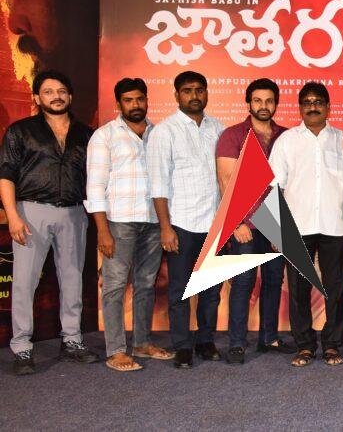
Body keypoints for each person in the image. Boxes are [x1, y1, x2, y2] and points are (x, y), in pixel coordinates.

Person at [2, 70, 99, 375]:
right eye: (48, 92)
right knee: (24, 281)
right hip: (31, 212)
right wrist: (13, 216)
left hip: (74, 212)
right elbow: (6, 175)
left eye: (61, 91)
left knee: (72, 278)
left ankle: (72, 339)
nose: (56, 96)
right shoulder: (20, 131)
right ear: (36, 97)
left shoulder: (87, 135)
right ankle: (22, 346)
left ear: (70, 96)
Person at [86, 77, 174, 372]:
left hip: (153, 220)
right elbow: (95, 186)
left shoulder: (159, 134)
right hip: (119, 221)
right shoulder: (105, 136)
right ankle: (116, 351)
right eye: (128, 100)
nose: (135, 104)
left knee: (146, 284)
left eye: (139, 98)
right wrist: (102, 230)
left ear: (147, 100)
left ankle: (142, 343)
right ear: (119, 104)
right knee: (114, 285)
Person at [269, 82, 343, 367]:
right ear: (300, 107)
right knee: (298, 290)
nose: (313, 107)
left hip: (335, 225)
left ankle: (332, 345)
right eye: (307, 102)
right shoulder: (287, 141)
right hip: (297, 227)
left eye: (318, 102)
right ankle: (304, 346)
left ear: (328, 107)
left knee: (335, 289)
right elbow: (273, 188)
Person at [147, 70, 226, 369]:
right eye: (187, 90)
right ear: (177, 95)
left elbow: (225, 177)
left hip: (213, 223)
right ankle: (182, 345)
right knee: (179, 289)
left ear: (206, 93)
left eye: (199, 90)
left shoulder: (218, 128)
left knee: (211, 290)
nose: (194, 95)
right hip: (180, 224)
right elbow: (158, 184)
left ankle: (205, 340)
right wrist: (165, 227)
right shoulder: (164, 132)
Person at [214, 78, 293, 365]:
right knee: (243, 282)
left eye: (269, 100)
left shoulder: (286, 137)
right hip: (245, 223)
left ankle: (269, 337)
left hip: (275, 221)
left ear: (276, 103)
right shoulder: (233, 135)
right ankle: (237, 343)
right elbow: (226, 181)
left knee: (273, 280)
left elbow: (290, 184)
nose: (263, 105)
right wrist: (236, 223)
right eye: (258, 100)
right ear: (248, 103)